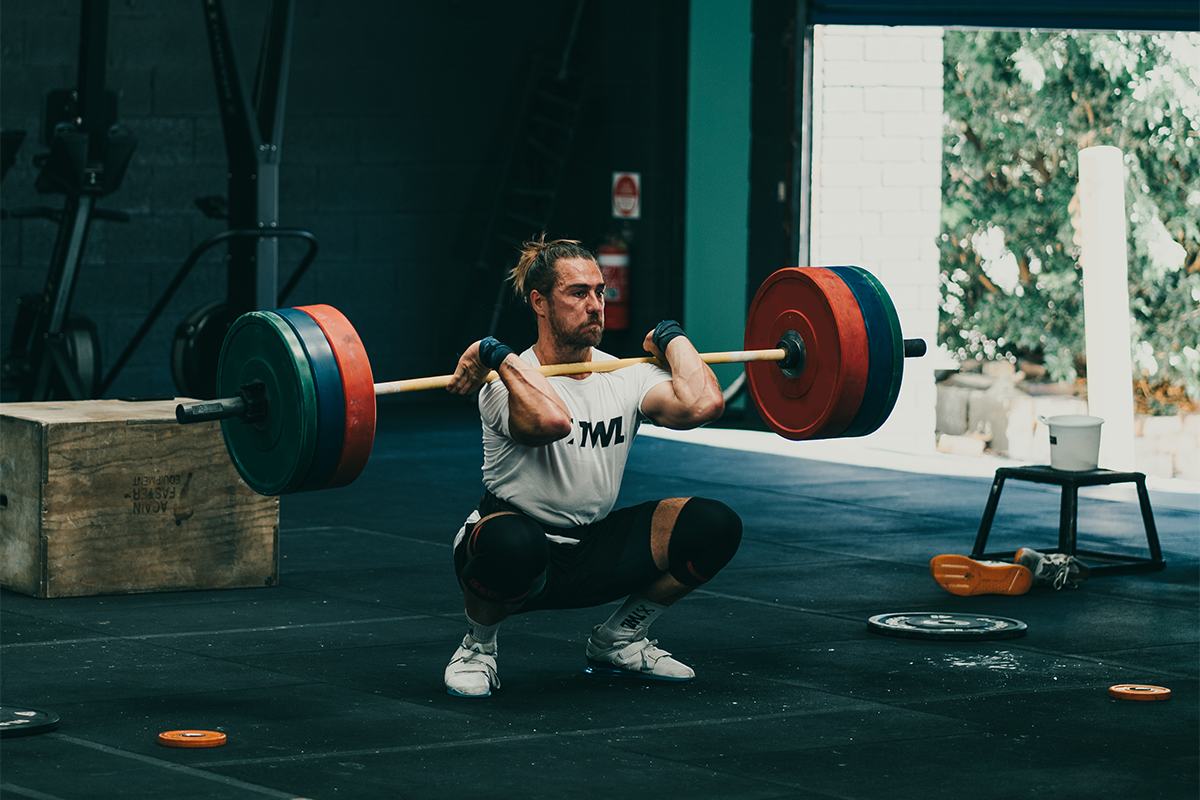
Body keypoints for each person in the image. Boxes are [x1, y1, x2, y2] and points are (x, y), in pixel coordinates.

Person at [442, 235, 743, 698]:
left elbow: (704, 405)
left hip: (593, 547)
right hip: (515, 546)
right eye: (578, 293)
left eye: (600, 291)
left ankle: (618, 640)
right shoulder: (504, 382)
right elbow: (550, 421)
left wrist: (671, 336)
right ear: (539, 303)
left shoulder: (624, 371)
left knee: (714, 524)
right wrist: (496, 355)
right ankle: (478, 647)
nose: (595, 304)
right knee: (513, 541)